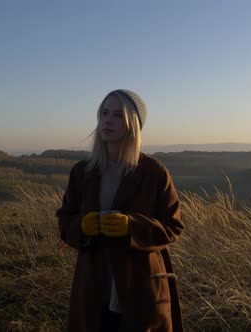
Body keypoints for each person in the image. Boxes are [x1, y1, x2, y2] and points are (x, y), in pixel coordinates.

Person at [55, 89, 184, 332]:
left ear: (133, 124)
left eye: (117, 114)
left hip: (140, 290)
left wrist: (132, 227)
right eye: (104, 113)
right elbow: (65, 220)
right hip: (94, 288)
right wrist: (81, 226)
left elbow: (173, 226)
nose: (107, 120)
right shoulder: (83, 172)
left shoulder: (153, 172)